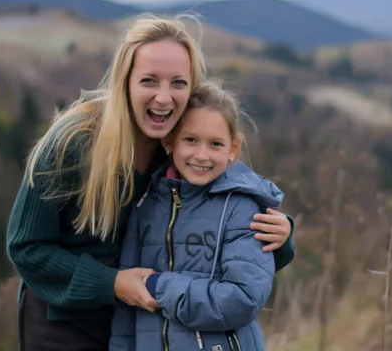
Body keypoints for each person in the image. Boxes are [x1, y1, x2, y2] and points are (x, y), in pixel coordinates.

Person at [6, 13, 296, 351]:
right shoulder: (73, 143)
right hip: (63, 320)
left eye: (177, 83)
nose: (163, 98)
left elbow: (223, 218)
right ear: (125, 81)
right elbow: (26, 249)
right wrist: (112, 283)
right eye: (148, 81)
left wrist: (282, 234)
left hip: (138, 323)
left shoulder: (182, 147)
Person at [110, 80, 281, 351]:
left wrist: (161, 286)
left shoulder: (242, 207)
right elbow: (126, 308)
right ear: (169, 140)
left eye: (215, 144)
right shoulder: (146, 203)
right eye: (190, 140)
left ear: (233, 148)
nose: (202, 155)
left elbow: (243, 300)